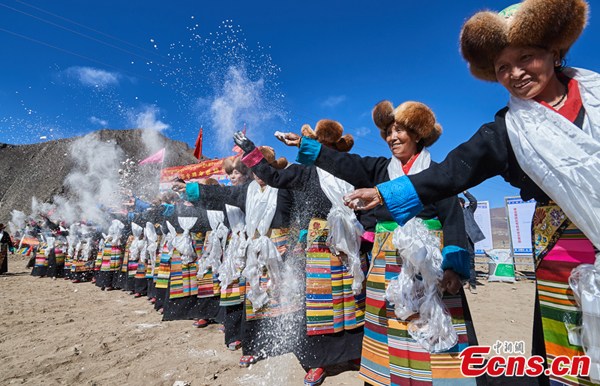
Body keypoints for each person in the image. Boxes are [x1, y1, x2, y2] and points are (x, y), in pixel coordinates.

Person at [344, 1, 596, 385]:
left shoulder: (595, 97)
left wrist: (453, 263)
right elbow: (451, 174)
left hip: (461, 255)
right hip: (566, 246)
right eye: (501, 68)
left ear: (555, 52)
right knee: (573, 343)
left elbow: (449, 212)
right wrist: (381, 193)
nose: (514, 74)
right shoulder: (508, 130)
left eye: (525, 58)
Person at [279, 102, 478, 386]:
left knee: (432, 324)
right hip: (387, 263)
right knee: (392, 327)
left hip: (430, 263)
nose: (392, 138)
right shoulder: (378, 169)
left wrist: (454, 268)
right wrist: (308, 146)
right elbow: (346, 163)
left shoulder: (438, 173)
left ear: (418, 134)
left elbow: (453, 219)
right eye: (388, 132)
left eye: (400, 131)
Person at [234, 120, 369, 386]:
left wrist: (368, 233)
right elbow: (274, 177)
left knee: (352, 297)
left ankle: (354, 352)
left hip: (353, 241)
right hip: (319, 242)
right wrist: (251, 152)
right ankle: (317, 361)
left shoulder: (351, 168)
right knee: (317, 300)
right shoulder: (306, 171)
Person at [460, 191, 485, 294]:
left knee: (470, 261)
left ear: (462, 204)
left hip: (469, 239)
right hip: (459, 240)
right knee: (461, 262)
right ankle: (465, 282)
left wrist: (465, 192)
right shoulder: (454, 215)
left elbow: (474, 201)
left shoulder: (468, 211)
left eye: (459, 203)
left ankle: (473, 284)